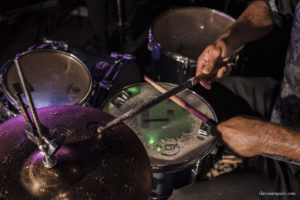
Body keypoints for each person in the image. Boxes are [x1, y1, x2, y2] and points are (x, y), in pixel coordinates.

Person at [169, 0, 300, 199]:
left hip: (294, 176)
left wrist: (266, 137)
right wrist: (229, 39)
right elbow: (270, 6)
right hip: (285, 102)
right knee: (191, 98)